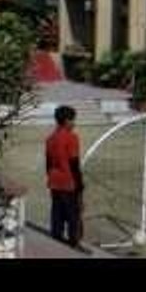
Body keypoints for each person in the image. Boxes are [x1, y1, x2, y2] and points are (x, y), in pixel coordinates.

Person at [46, 105, 84, 247]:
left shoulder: (50, 139)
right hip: (69, 182)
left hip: (54, 181)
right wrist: (80, 186)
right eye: (72, 120)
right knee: (73, 215)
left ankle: (56, 239)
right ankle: (74, 243)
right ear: (66, 121)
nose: (74, 123)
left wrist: (50, 178)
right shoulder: (72, 138)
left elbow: (48, 164)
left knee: (57, 213)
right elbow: (74, 164)